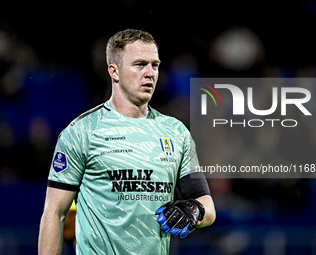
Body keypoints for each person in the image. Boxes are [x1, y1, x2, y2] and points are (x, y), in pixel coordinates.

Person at [38, 29, 215, 255]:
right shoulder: (82, 132)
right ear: (114, 71)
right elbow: (55, 213)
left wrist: (195, 210)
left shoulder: (176, 132)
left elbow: (207, 206)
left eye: (155, 65)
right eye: (140, 64)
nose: (150, 73)